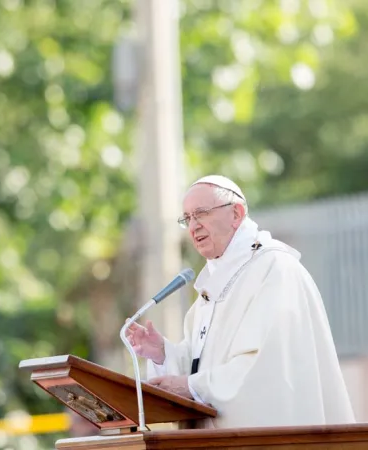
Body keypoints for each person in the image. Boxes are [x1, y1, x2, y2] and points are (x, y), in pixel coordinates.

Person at [125, 175, 356, 429]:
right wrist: (163, 354)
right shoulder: (209, 292)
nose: (193, 226)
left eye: (201, 213)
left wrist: (191, 386)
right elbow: (202, 369)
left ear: (236, 213)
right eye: (187, 218)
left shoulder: (274, 270)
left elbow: (268, 370)